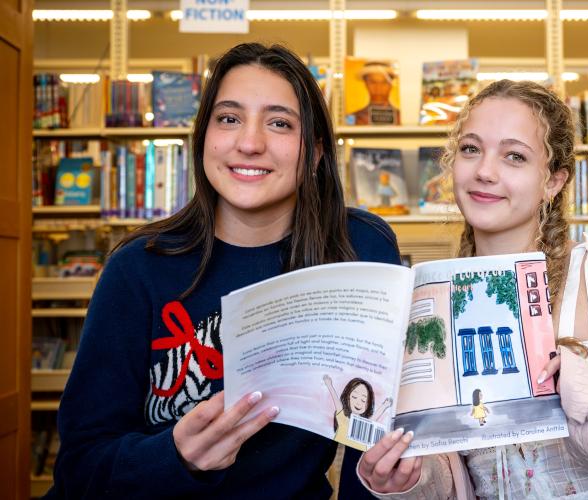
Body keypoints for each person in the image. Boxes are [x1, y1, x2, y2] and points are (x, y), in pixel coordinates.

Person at [47, 43, 401, 499]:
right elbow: (79, 468)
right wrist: (175, 456)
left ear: (313, 155)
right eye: (229, 118)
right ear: (204, 137)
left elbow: (368, 455)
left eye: (279, 123)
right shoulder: (137, 268)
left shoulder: (357, 251)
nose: (249, 143)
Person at [357, 80, 588, 499]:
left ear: (553, 182)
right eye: (471, 149)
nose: (485, 171)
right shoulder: (434, 301)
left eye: (514, 156)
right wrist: (410, 480)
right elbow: (460, 480)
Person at [324, 375, 392, 448]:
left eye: (363, 400)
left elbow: (373, 419)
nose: (358, 403)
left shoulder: (365, 424)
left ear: (368, 404)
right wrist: (329, 384)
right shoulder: (343, 417)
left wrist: (385, 405)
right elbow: (337, 402)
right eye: (354, 397)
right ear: (347, 398)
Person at [350, 61, 400, 125]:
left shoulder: (400, 117)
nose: (378, 88)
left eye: (384, 82)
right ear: (366, 84)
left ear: (391, 85)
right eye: (373, 82)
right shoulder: (355, 117)